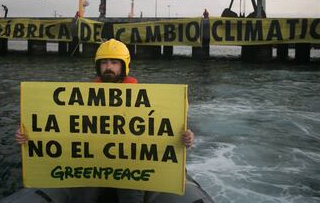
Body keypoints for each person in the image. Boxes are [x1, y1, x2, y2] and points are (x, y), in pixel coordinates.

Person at [15, 39, 195, 203]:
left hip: (132, 165)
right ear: (97, 66)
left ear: (124, 66)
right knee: (83, 197)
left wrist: (186, 137)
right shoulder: (82, 96)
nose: (108, 66)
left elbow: (162, 128)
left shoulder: (147, 98)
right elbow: (60, 127)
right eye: (104, 62)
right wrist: (28, 135)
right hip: (93, 164)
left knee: (131, 198)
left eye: (114, 62)